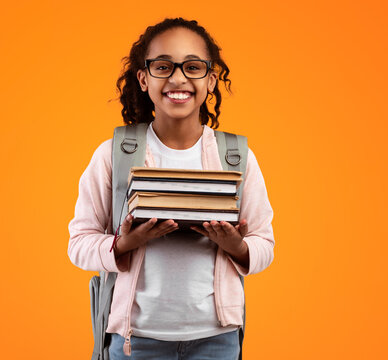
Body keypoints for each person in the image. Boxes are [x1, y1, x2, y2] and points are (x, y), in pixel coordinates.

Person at [68, 17, 275, 360]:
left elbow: (265, 245)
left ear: (211, 80)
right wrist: (124, 244)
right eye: (163, 66)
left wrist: (238, 246)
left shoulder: (237, 156)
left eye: (192, 67)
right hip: (136, 341)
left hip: (217, 340)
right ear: (144, 78)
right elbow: (79, 243)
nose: (178, 78)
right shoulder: (113, 154)